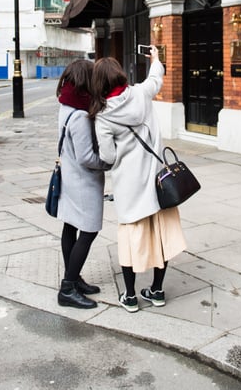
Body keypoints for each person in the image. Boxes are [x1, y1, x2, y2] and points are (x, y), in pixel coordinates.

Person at [89, 46, 187, 313]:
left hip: (130, 188)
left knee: (131, 241)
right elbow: (156, 78)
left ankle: (130, 296)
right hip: (158, 183)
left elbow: (108, 156)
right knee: (161, 238)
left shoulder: (103, 116)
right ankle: (156, 291)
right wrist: (155, 58)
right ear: (121, 76)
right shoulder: (141, 93)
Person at [54, 60, 111, 309]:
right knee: (88, 231)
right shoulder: (79, 115)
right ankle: (67, 288)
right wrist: (107, 163)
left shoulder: (66, 105)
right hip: (82, 182)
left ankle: (74, 278)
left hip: (70, 177)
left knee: (71, 226)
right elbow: (87, 157)